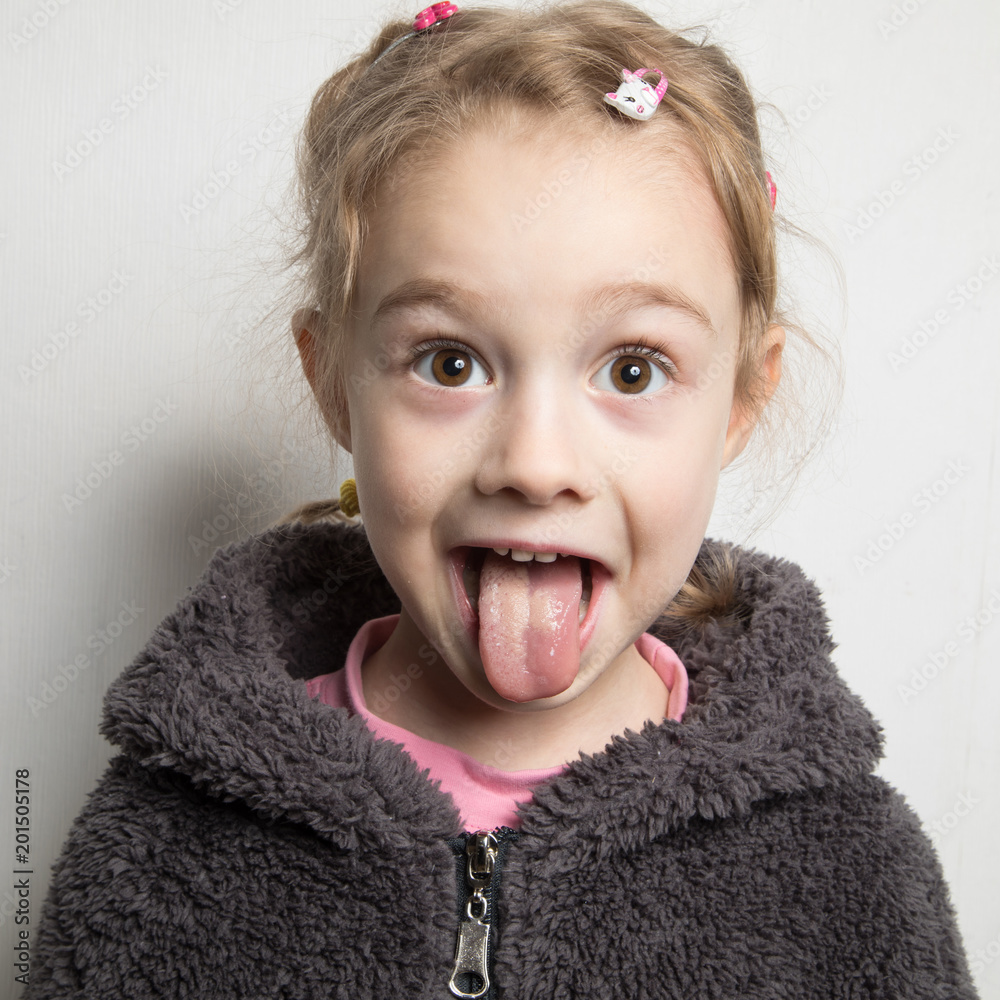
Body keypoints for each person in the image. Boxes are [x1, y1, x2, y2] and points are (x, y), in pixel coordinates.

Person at [27, 2, 979, 997]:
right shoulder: (170, 838)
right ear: (332, 382)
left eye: (633, 369)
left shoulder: (846, 867)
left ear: (742, 396)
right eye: (449, 361)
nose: (533, 463)